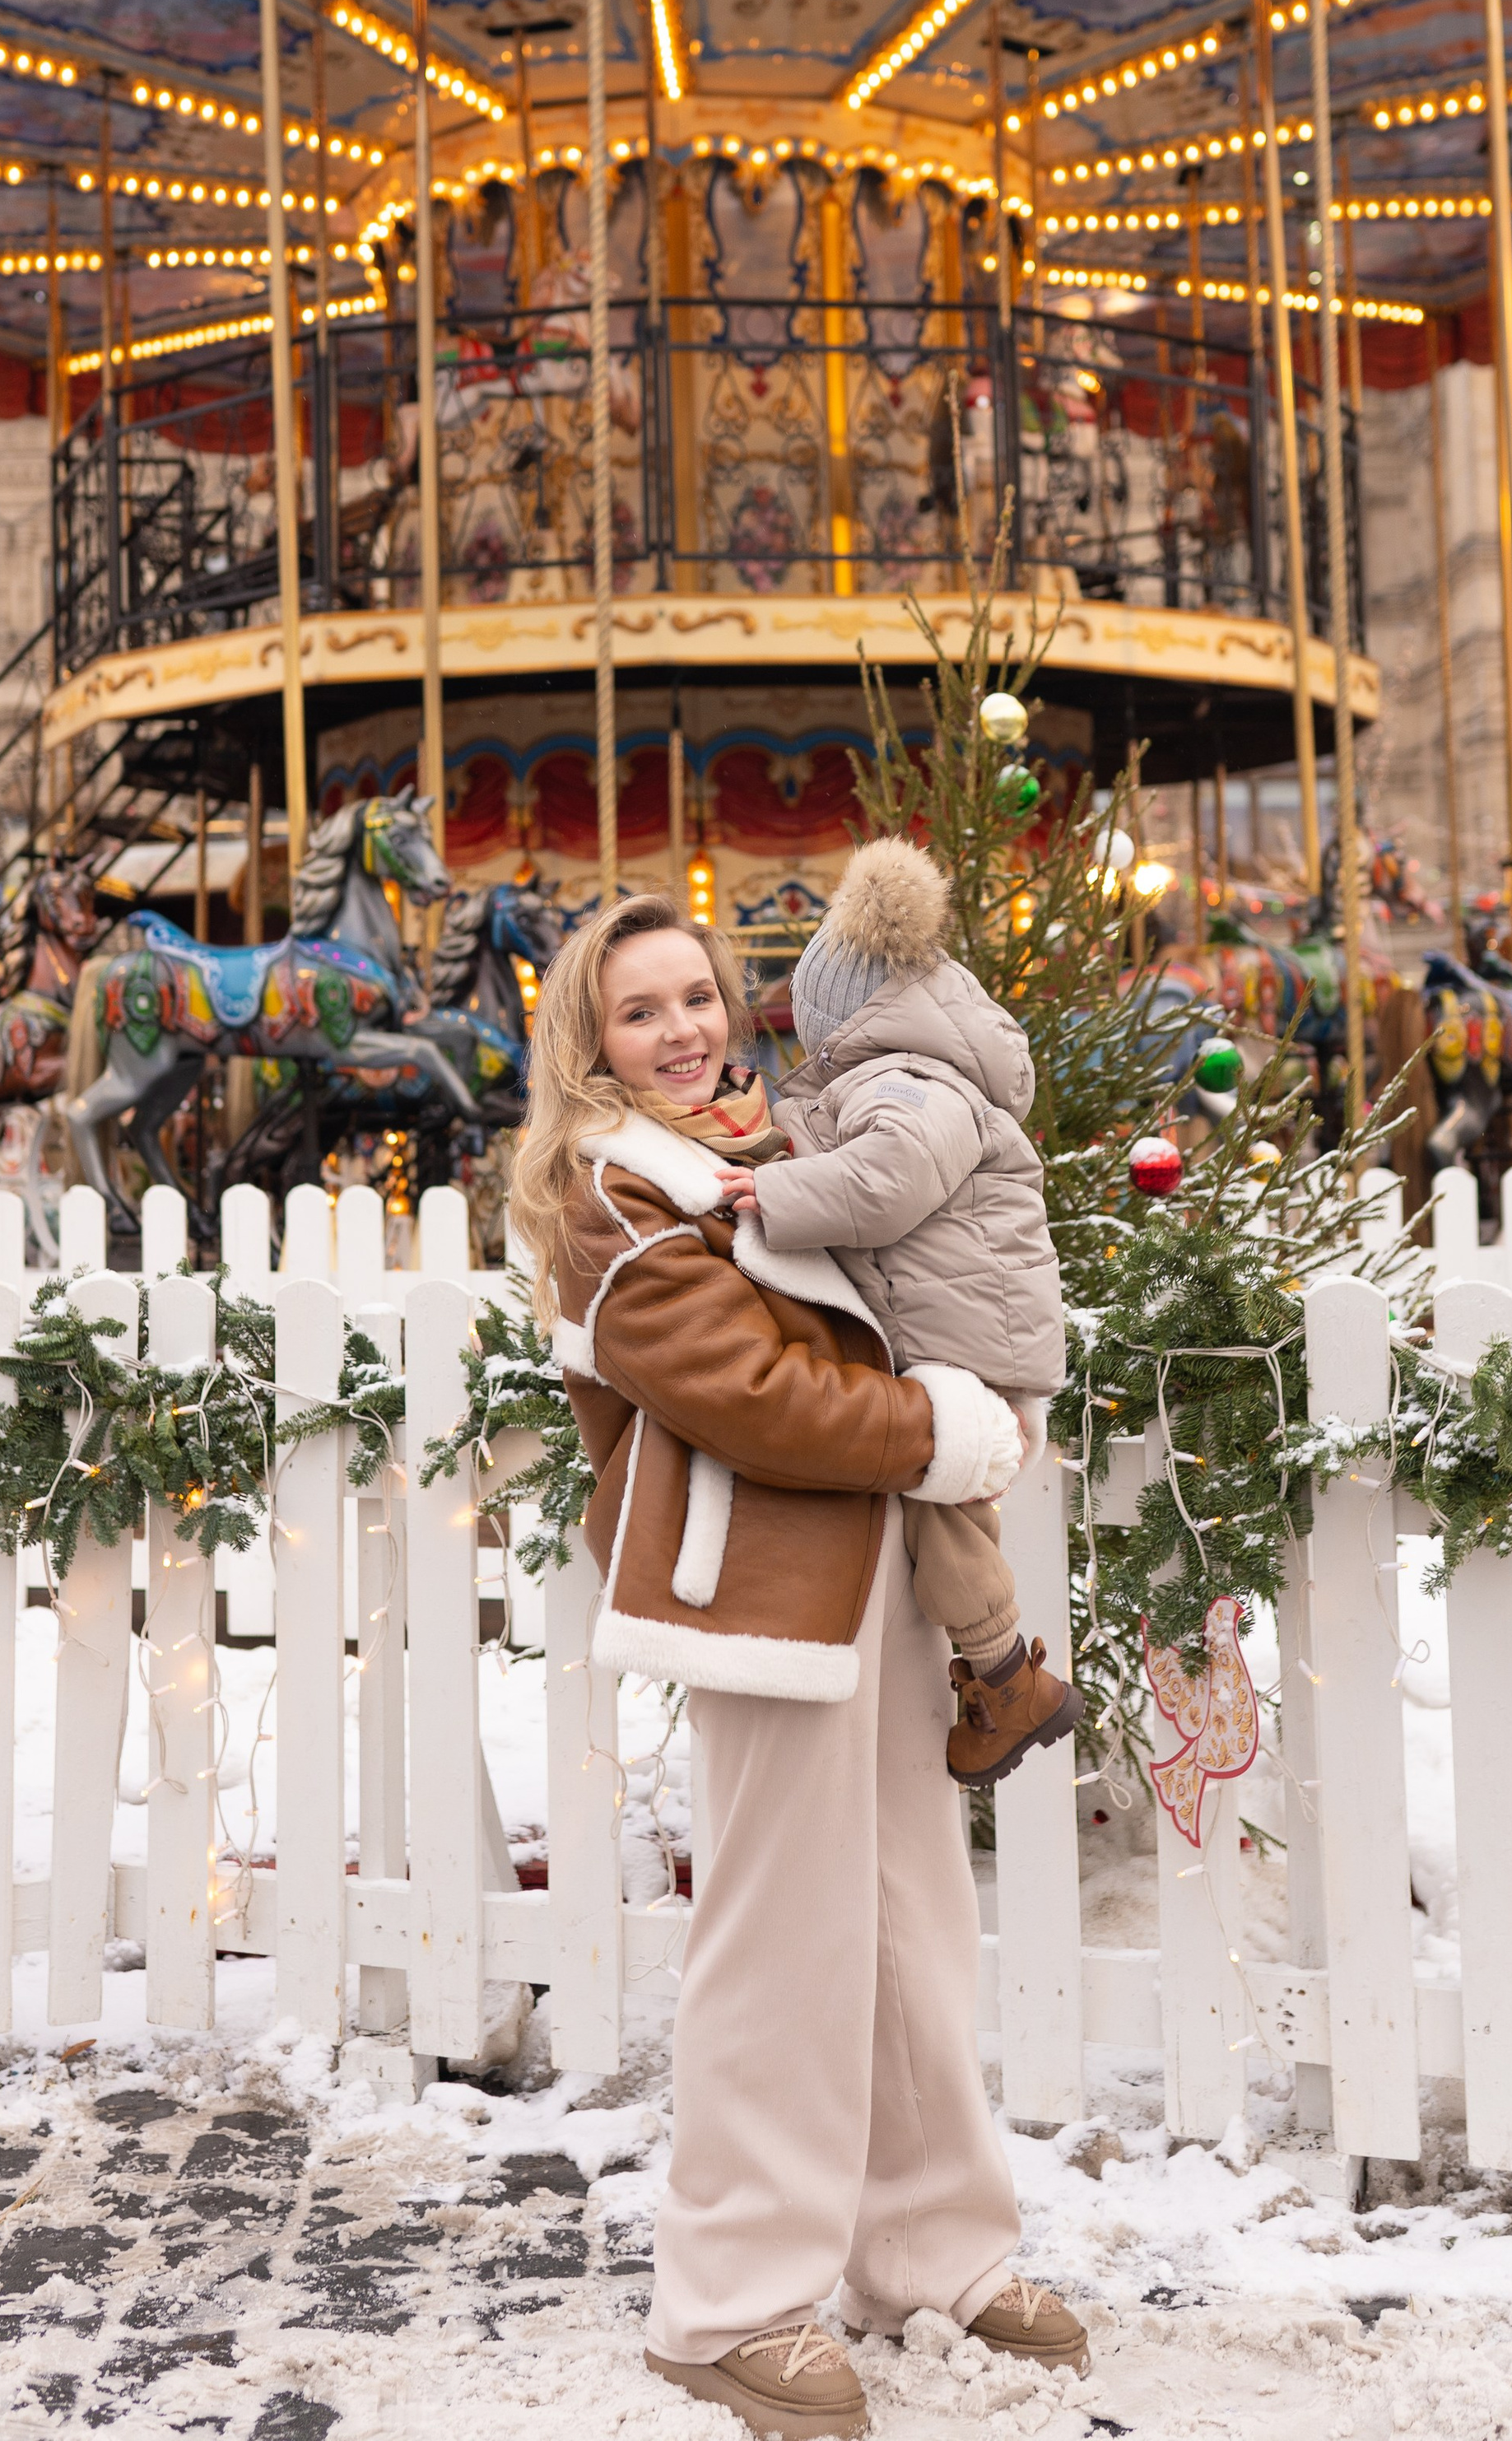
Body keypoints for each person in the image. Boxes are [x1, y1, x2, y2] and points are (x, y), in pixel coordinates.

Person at [509, 891, 1090, 2439]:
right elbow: (750, 1392)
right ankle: (729, 2298)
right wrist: (936, 1431)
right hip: (760, 1590)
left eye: (699, 996)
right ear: (593, 1046)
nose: (685, 1029)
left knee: (911, 1920)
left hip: (877, 1576)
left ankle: (928, 2250)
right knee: (780, 1946)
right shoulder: (614, 1198)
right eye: (643, 1012)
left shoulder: (774, 1148)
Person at [712, 837, 1080, 1787]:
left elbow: (886, 1182)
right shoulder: (908, 1076)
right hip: (964, 1325)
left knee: (941, 1505)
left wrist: (774, 1196)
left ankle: (1005, 1677)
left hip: (965, 1339)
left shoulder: (906, 1081)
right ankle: (998, 1670)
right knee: (941, 1500)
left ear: (843, 1019)